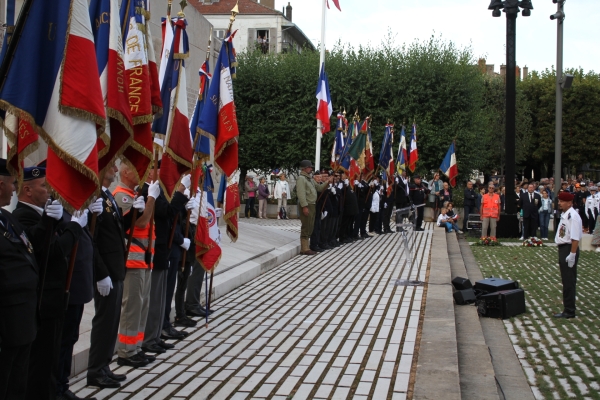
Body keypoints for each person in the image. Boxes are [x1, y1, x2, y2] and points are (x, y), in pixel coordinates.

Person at [13, 167, 87, 400]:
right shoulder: (23, 216)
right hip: (43, 302)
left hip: (54, 300)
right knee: (41, 365)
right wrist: (74, 227)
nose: (49, 191)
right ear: (27, 190)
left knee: (52, 358)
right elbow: (52, 252)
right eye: (44, 186)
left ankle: (56, 391)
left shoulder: (41, 213)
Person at [0, 161, 61, 399]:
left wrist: (47, 221)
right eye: (12, 184)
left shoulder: (8, 219)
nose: (15, 189)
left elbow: (30, 245)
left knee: (18, 383)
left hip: (24, 319)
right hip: (7, 320)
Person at [87, 164, 142, 389]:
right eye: (110, 165)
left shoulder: (107, 196)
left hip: (116, 268)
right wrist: (101, 273)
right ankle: (95, 371)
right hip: (106, 272)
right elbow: (93, 239)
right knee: (104, 322)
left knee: (111, 324)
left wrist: (134, 212)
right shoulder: (96, 196)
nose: (116, 168)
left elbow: (119, 229)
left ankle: (104, 367)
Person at [113, 164, 160, 368]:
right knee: (131, 307)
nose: (141, 173)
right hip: (132, 259)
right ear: (125, 173)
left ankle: (136, 347)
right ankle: (126, 351)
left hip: (144, 258)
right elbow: (140, 223)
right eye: (136, 169)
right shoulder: (122, 196)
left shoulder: (133, 194)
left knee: (142, 305)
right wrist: (151, 199)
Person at [553, 191, 582, 319]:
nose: (559, 203)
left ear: (569, 203)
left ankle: (569, 310)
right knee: (566, 280)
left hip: (569, 248)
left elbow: (575, 238)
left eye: (562, 201)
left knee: (569, 280)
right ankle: (568, 307)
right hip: (564, 248)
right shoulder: (566, 214)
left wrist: (572, 254)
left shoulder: (573, 217)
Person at [296, 160, 329, 255]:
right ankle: (304, 248)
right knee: (306, 226)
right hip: (307, 205)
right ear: (304, 168)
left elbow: (319, 188)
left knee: (310, 226)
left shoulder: (309, 179)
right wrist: (304, 206)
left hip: (312, 205)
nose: (311, 168)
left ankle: (307, 247)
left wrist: (327, 182)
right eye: (310, 167)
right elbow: (301, 194)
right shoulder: (301, 179)